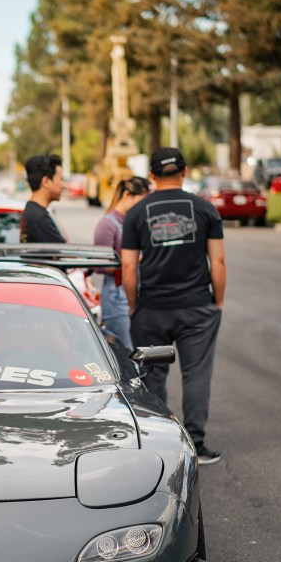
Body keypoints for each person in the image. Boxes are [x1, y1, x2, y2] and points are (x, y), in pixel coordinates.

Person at [121, 147, 226, 465]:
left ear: (151, 175)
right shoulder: (205, 209)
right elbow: (218, 261)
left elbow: (128, 266)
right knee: (196, 375)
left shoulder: (136, 213)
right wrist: (218, 301)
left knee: (152, 376)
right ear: (185, 171)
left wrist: (133, 305)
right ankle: (196, 444)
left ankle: (157, 444)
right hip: (197, 307)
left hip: (152, 307)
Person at [93, 176, 150, 350]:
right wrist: (130, 261)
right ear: (127, 195)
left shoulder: (132, 222)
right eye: (142, 201)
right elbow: (99, 265)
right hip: (116, 295)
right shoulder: (107, 224)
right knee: (125, 351)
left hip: (133, 291)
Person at [20, 154, 67, 243]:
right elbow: (62, 250)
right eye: (61, 179)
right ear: (46, 181)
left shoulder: (32, 211)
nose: (64, 185)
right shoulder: (38, 218)